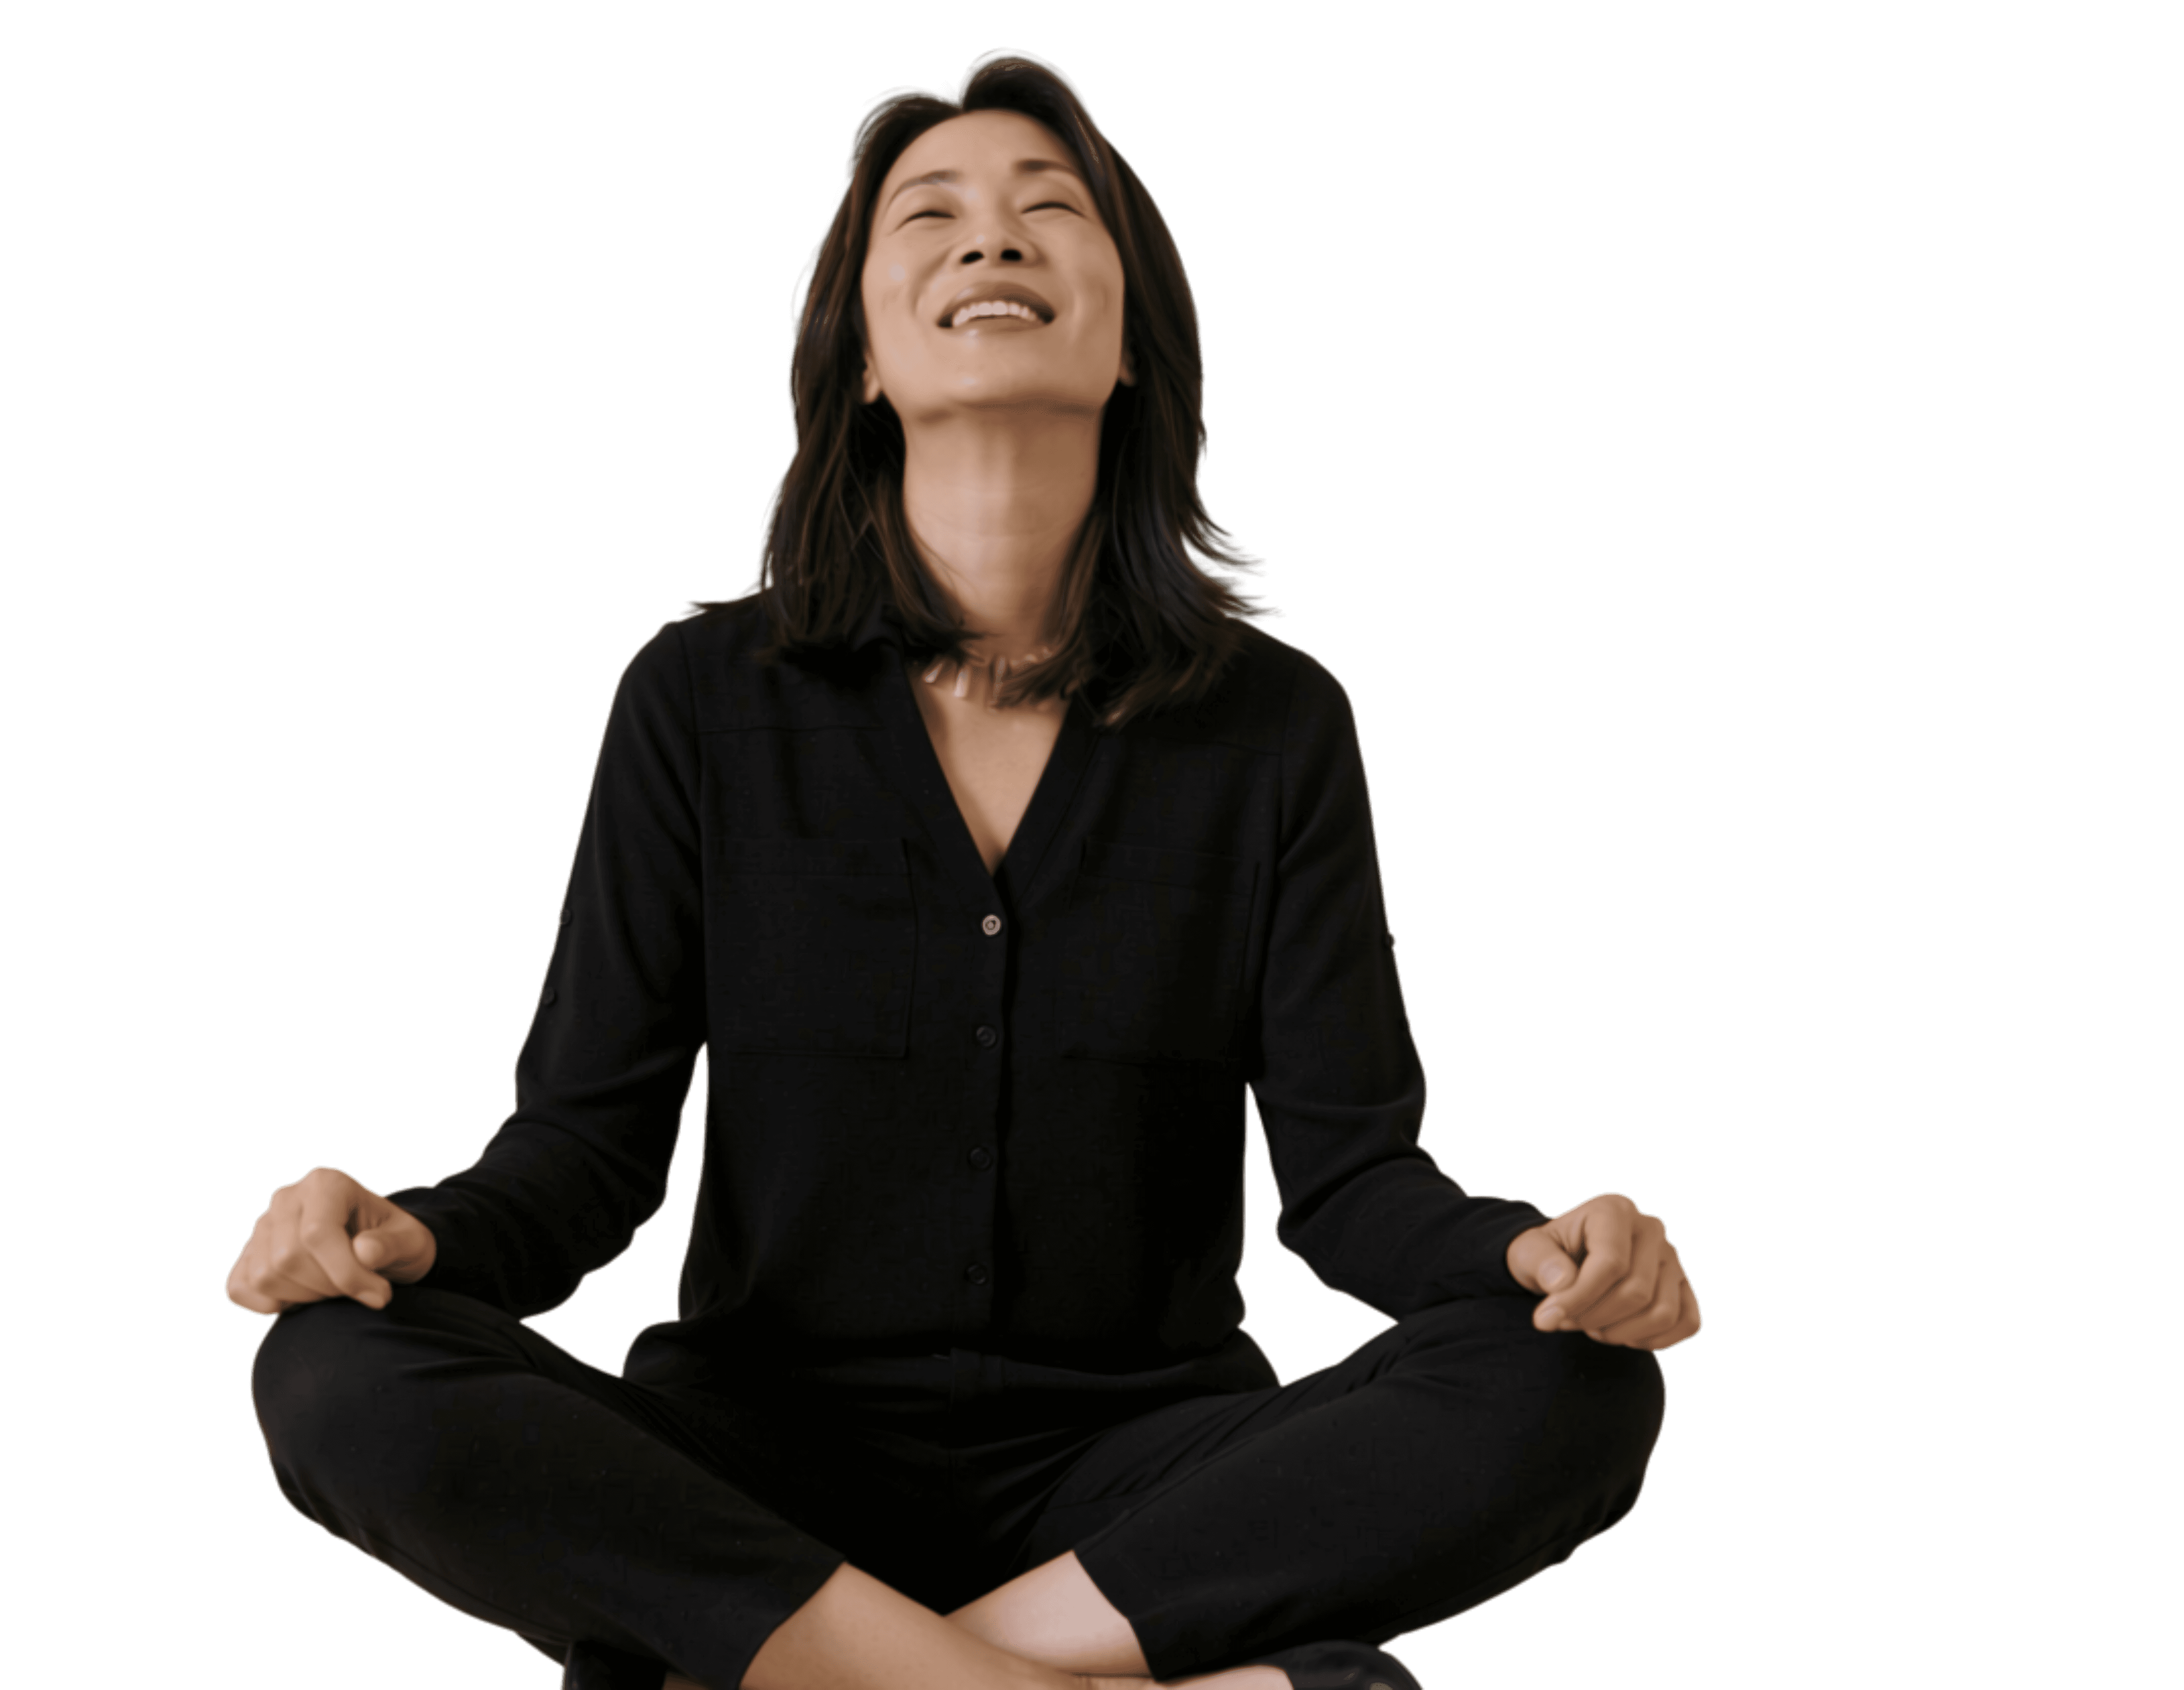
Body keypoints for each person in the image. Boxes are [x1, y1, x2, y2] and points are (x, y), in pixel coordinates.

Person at [231, 48, 1696, 1690]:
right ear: (861, 355)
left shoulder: (1280, 724)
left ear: (1131, 336)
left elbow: (1354, 1182)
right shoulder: (698, 696)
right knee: (331, 1374)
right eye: (929, 215)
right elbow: (580, 1157)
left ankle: (818, 1669)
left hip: (1142, 1489)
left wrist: (1532, 1254)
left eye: (1048, 211)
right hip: (754, 1462)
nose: (991, 239)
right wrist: (401, 1237)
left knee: (1580, 1385)